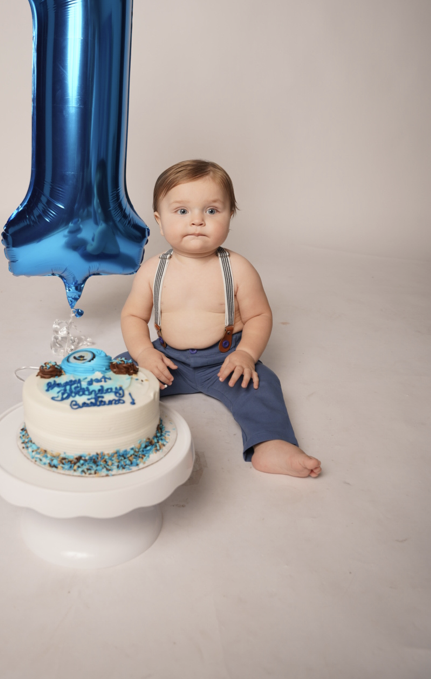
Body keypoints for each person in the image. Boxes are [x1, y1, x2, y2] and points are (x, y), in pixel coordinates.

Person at [118, 160, 321, 478]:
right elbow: (132, 315)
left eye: (211, 210)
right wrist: (144, 354)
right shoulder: (152, 270)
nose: (197, 220)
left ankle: (271, 445)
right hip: (167, 358)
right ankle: (101, 423)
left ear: (230, 216)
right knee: (116, 371)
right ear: (159, 221)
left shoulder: (238, 268)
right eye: (182, 211)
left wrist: (246, 354)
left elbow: (258, 315)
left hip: (225, 361)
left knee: (263, 386)